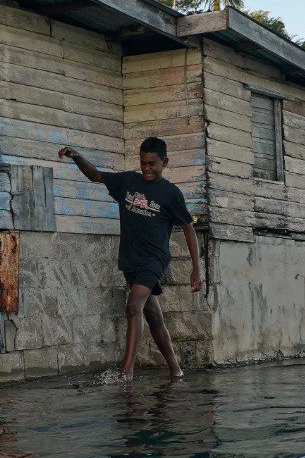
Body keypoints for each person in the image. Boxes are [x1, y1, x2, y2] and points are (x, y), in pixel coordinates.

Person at [59, 137, 201, 380]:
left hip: (154, 259)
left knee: (133, 306)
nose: (147, 168)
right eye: (143, 162)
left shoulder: (170, 194)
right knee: (152, 316)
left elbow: (188, 227)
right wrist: (77, 157)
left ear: (164, 162)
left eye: (153, 164)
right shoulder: (128, 181)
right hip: (130, 258)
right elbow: (95, 176)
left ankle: (127, 373)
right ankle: (176, 369)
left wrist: (196, 268)